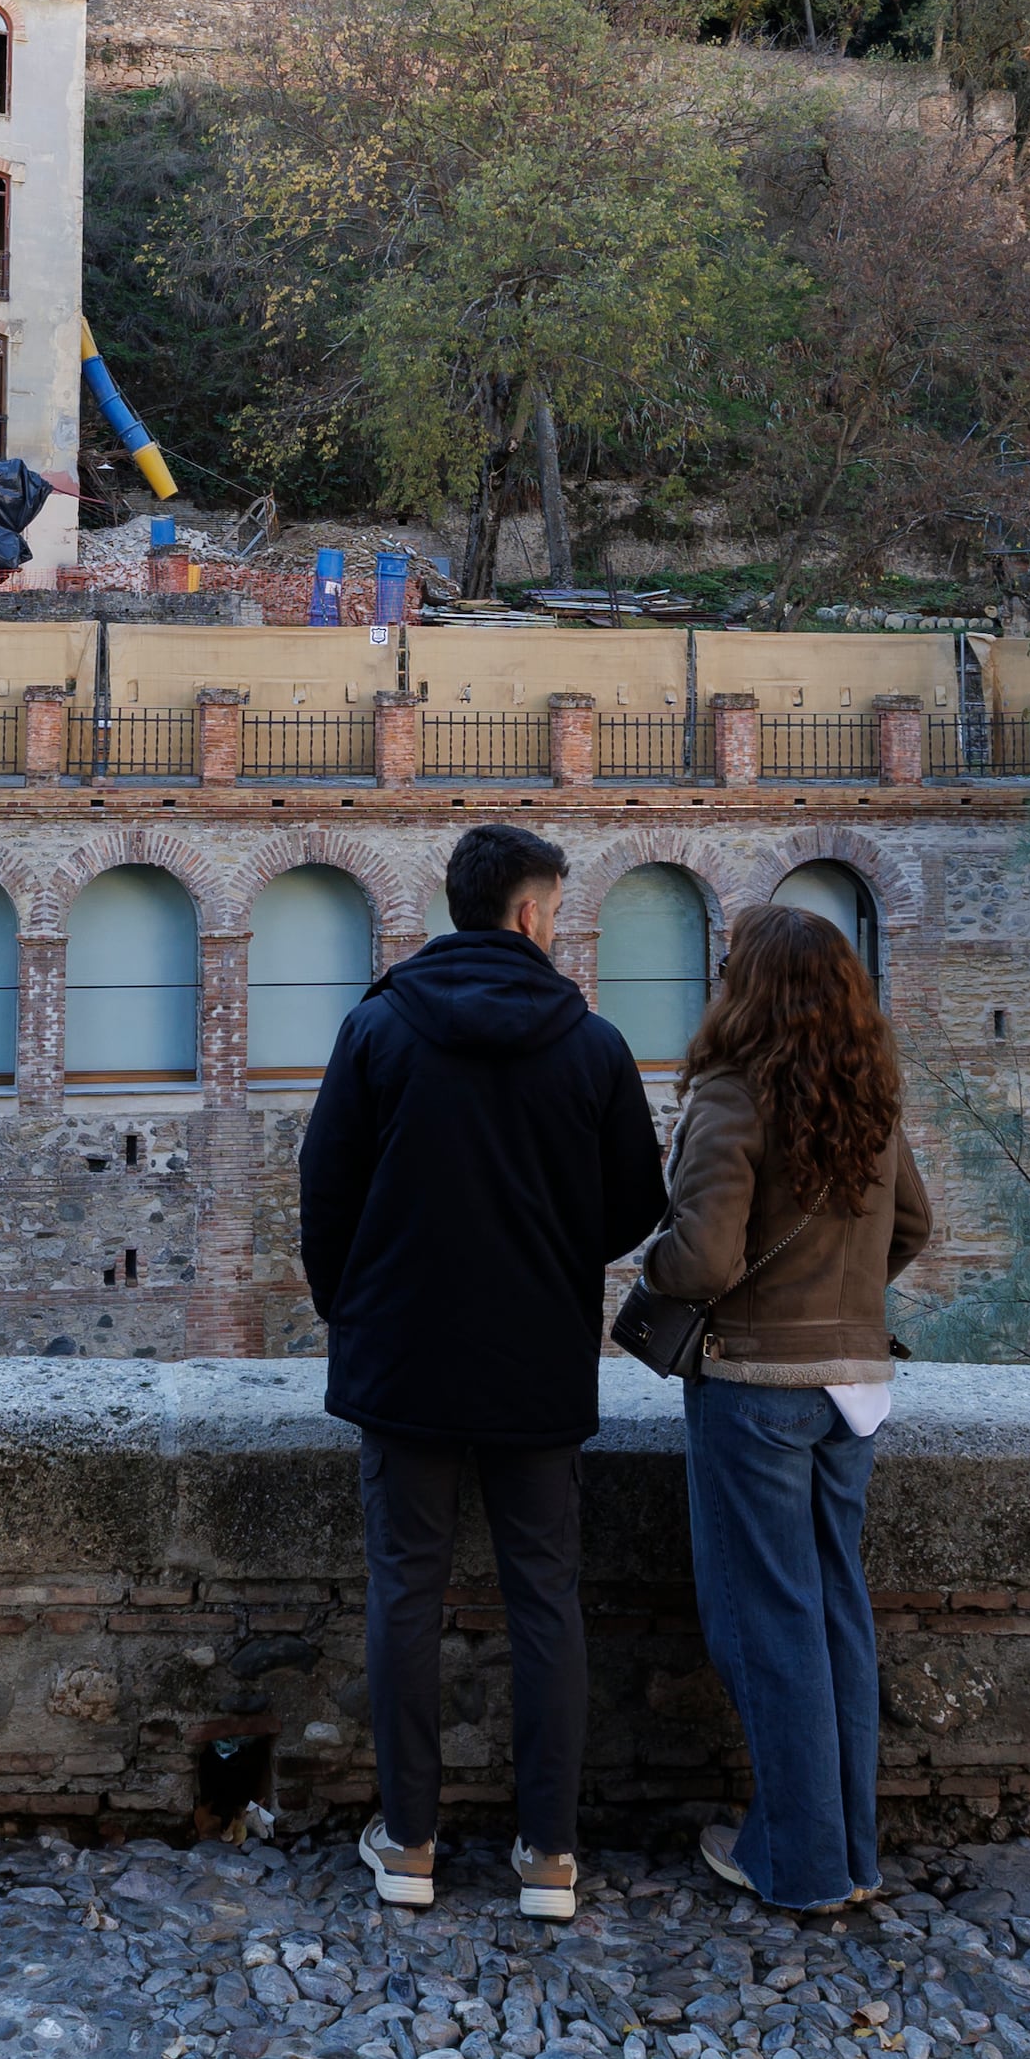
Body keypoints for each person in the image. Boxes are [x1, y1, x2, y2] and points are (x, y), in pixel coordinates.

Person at [297, 823, 665, 1924]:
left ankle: (407, 1839)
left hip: (401, 1350)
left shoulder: (376, 1028)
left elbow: (325, 1190)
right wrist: (553, 1256)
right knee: (543, 1593)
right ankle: (547, 1851)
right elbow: (634, 1205)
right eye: (554, 905)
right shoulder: (591, 1047)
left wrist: (351, 1309)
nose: (557, 924)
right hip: (534, 1356)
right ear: (524, 914)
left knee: (403, 1588)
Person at [636, 905, 935, 1914]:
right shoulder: (872, 1096)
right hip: (852, 1390)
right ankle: (851, 1854)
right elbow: (912, 1224)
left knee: (765, 1624)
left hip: (755, 1390)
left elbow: (704, 1257)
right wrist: (843, 1306)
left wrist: (656, 1264)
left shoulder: (732, 1094)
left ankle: (796, 1864)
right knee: (833, 1613)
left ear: (746, 988)